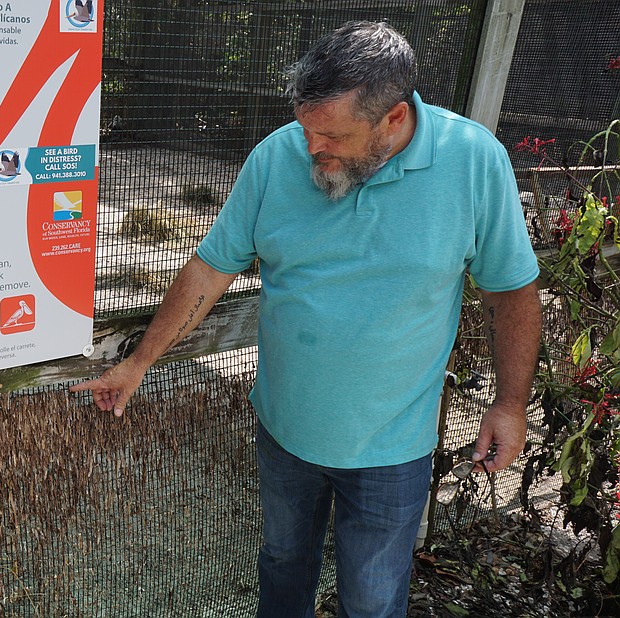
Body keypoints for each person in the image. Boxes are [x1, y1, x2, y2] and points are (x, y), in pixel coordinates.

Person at [70, 20, 541, 617]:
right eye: (305, 127)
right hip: (285, 433)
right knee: (283, 566)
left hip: (391, 447)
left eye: (333, 135)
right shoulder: (277, 156)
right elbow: (211, 269)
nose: (312, 147)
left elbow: (512, 292)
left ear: (393, 119)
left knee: (371, 601)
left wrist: (509, 404)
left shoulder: (474, 162)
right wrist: (139, 363)